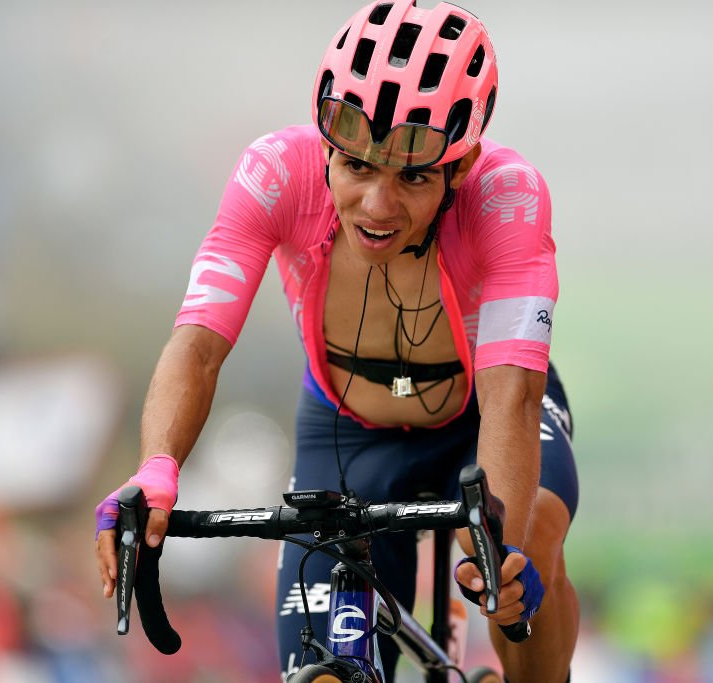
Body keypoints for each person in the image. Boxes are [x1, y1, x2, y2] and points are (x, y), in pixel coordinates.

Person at [94, 1, 579, 681]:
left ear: (462, 163)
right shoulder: (275, 173)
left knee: (527, 554)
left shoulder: (507, 196)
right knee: (324, 671)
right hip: (348, 429)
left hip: (480, 416)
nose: (377, 206)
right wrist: (156, 468)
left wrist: (504, 545)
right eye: (356, 167)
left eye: (413, 175)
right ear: (326, 144)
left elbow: (511, 398)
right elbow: (197, 347)